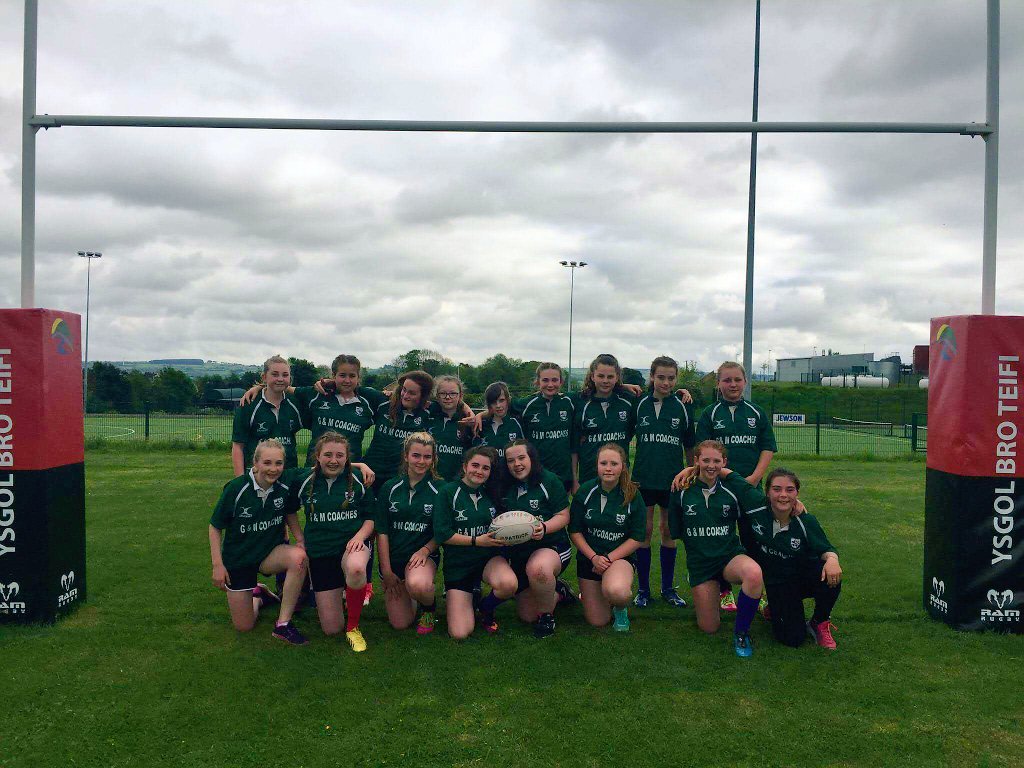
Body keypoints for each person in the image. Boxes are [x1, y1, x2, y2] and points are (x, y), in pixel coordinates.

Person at [687, 361, 777, 614]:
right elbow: (701, 451)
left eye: (737, 379)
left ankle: (759, 592)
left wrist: (754, 478)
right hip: (718, 490)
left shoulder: (756, 412)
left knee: (755, 539)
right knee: (720, 538)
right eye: (727, 380)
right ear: (719, 384)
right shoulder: (710, 414)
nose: (733, 385)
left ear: (745, 382)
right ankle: (724, 592)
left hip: (749, 488)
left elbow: (767, 447)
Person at [666, 440, 766, 657]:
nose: (711, 465)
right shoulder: (681, 489)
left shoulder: (732, 489)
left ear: (725, 462)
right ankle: (710, 592)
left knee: (754, 573)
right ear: (696, 461)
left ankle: (741, 632)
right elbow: (676, 530)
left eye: (717, 461)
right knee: (709, 627)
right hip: (701, 563)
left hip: (729, 557)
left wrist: (797, 505)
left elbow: (760, 500)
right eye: (706, 460)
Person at [208, 438, 309, 645]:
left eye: (278, 463)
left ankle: (283, 625)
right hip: (239, 559)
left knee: (299, 558)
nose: (273, 469)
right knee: (244, 626)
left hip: (269, 554)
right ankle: (261, 596)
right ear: (255, 463)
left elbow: (322, 466)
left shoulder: (285, 483)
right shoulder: (236, 488)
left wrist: (300, 539)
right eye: (267, 463)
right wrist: (218, 565)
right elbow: (215, 527)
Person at [290, 432, 375, 652]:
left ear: (347, 458)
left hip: (350, 546)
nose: (334, 460)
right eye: (328, 455)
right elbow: (288, 509)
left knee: (356, 569)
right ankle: (344, 599)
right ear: (317, 456)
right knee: (331, 628)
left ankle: (354, 627)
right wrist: (300, 538)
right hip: (320, 552)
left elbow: (372, 517)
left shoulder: (357, 478)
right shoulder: (302, 479)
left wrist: (358, 538)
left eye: (340, 455)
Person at [746, 468, 842, 649]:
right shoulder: (756, 511)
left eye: (790, 490)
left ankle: (819, 622)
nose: (783, 495)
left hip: (802, 578)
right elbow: (731, 479)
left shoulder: (806, 521)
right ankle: (771, 607)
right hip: (778, 583)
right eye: (777, 489)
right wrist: (692, 469)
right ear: (767, 492)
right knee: (792, 639)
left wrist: (832, 560)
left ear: (797, 494)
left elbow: (826, 548)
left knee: (832, 576)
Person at [432, 447, 518, 639]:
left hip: (488, 559)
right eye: (475, 465)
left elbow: (503, 525)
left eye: (485, 468)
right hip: (459, 565)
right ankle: (468, 595)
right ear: (465, 466)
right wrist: (477, 541)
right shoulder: (447, 492)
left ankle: (485, 608)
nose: (479, 471)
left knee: (508, 584)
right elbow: (442, 534)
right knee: (460, 633)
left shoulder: (492, 493)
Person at [632, 356, 696, 609]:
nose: (666, 382)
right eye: (661, 377)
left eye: (671, 378)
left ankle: (668, 589)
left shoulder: (683, 404)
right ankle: (643, 590)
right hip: (644, 478)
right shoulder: (638, 403)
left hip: (673, 480)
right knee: (644, 532)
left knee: (668, 531)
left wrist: (691, 472)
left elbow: (689, 443)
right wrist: (626, 386)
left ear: (677, 379)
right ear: (652, 377)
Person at [568, 443, 646, 632]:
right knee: (598, 620)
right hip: (590, 559)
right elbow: (575, 531)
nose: (608, 468)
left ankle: (620, 608)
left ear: (623, 466)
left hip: (618, 559)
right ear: (597, 466)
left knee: (618, 592)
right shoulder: (585, 492)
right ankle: (593, 594)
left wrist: (609, 559)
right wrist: (594, 557)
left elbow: (637, 537)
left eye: (614, 463)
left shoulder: (632, 495)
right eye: (604, 463)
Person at [499, 440, 571, 638]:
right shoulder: (504, 486)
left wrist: (544, 527)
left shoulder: (549, 480)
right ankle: (558, 591)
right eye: (511, 460)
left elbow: (564, 516)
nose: (517, 464)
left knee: (538, 569)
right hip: (520, 553)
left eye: (522, 458)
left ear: (532, 458)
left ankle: (547, 617)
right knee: (527, 615)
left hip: (551, 546)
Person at [376, 432, 444, 635]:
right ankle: (409, 590)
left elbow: (443, 531)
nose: (421, 461)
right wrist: (386, 571)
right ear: (406, 456)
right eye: (416, 455)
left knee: (418, 585)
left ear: (433, 459)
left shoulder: (441, 489)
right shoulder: (390, 487)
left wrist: (425, 550)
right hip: (394, 560)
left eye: (427, 456)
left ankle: (429, 608)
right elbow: (382, 531)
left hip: (422, 558)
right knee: (400, 623)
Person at [570, 355, 637, 492]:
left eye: (610, 377)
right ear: (592, 376)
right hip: (589, 476)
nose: (605, 381)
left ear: (617, 377)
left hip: (619, 476)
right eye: (601, 376)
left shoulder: (628, 401)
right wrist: (574, 480)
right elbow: (574, 448)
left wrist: (680, 393)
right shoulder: (580, 402)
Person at [231, 355, 306, 475]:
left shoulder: (296, 403)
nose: (280, 379)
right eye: (275, 374)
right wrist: (240, 481)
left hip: (288, 475)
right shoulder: (248, 404)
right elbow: (238, 446)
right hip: (257, 475)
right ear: (264, 377)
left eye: (285, 375)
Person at [511, 363, 576, 492]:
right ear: (537, 382)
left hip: (563, 475)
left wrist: (622, 386)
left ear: (561, 382)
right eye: (545, 380)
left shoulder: (571, 401)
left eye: (554, 380)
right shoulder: (525, 404)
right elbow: (499, 406)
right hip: (535, 473)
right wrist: (480, 415)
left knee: (561, 511)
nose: (550, 385)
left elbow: (597, 389)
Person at [428, 375, 474, 481]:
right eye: (443, 393)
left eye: (453, 393)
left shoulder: (469, 421)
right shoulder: (427, 414)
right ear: (437, 396)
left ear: (460, 395)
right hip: (428, 481)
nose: (447, 397)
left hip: (456, 483)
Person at [472, 381, 526, 463]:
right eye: (493, 402)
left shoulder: (517, 423)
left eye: (501, 400)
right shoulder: (480, 425)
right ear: (489, 404)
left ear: (508, 400)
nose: (498, 406)